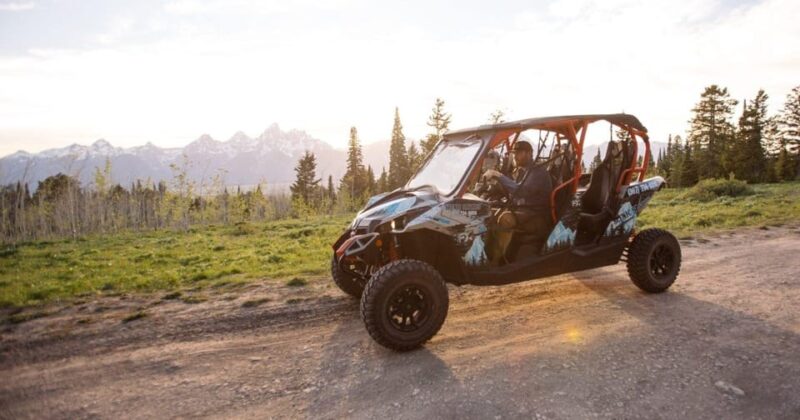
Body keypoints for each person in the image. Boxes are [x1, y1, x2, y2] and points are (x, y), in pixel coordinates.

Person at [484, 140, 553, 263]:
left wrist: (499, 176)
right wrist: (493, 188)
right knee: (489, 213)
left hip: (536, 213)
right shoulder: (520, 171)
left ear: (529, 153)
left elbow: (522, 191)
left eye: (518, 153)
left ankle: (498, 261)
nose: (515, 156)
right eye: (514, 153)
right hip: (522, 210)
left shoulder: (538, 171)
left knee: (505, 219)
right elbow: (512, 191)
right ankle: (488, 255)